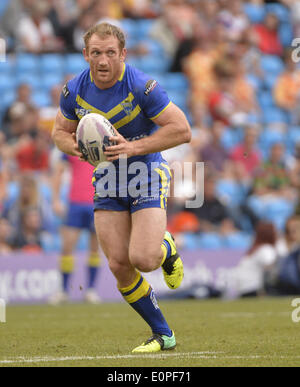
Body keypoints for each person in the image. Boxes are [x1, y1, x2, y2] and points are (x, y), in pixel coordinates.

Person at [52, 22, 191, 353]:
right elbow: (59, 132)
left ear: (123, 54)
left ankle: (166, 248)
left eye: (110, 53)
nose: (102, 61)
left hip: (145, 171)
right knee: (118, 264)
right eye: (96, 53)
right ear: (86, 54)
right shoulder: (74, 91)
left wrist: (132, 147)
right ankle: (163, 334)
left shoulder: (142, 86)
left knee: (143, 258)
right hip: (107, 179)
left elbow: (182, 130)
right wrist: (77, 148)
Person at [49, 151, 102, 305]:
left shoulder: (102, 145)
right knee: (67, 247)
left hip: (97, 202)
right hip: (75, 203)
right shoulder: (73, 147)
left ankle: (91, 290)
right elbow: (58, 171)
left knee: (95, 248)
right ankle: (64, 291)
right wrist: (56, 200)